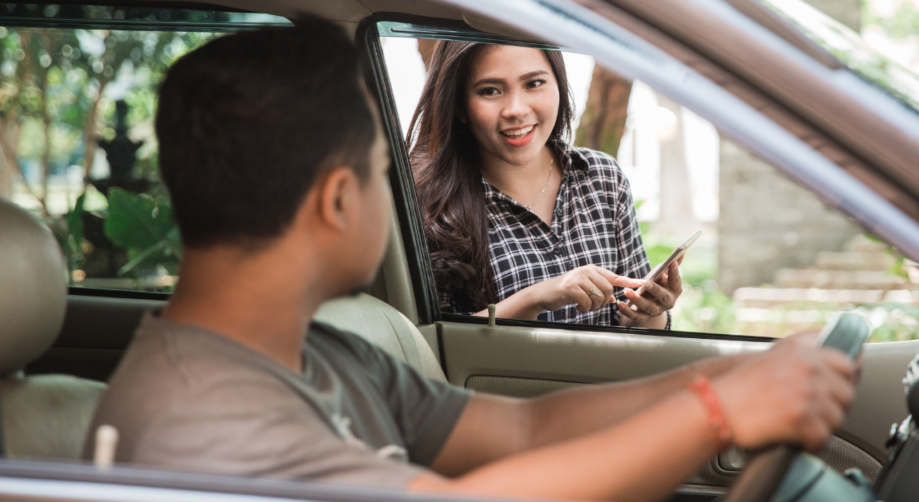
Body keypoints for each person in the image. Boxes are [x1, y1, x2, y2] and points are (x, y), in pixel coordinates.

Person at [85, 17, 859, 502]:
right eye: (380, 166)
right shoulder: (204, 423)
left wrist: (719, 375)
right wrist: (720, 416)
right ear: (336, 201)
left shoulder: (323, 354)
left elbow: (525, 435)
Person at [410, 41, 680, 328]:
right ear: (460, 106)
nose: (515, 109)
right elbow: (431, 344)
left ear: (559, 87)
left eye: (534, 83)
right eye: (490, 90)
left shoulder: (602, 177)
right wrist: (536, 298)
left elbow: (633, 326)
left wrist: (652, 311)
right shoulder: (430, 203)